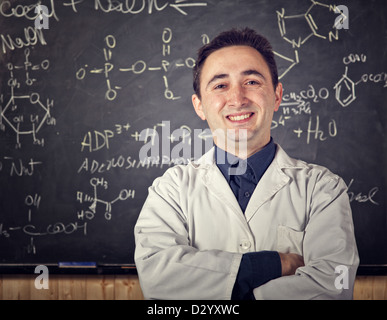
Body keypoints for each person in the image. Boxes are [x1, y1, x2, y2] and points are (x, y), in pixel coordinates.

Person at [134, 28, 359, 300]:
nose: (238, 99)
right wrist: (276, 263)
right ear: (200, 106)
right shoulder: (170, 190)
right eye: (220, 85)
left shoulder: (323, 189)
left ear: (276, 96)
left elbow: (334, 284)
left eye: (252, 82)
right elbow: (159, 277)